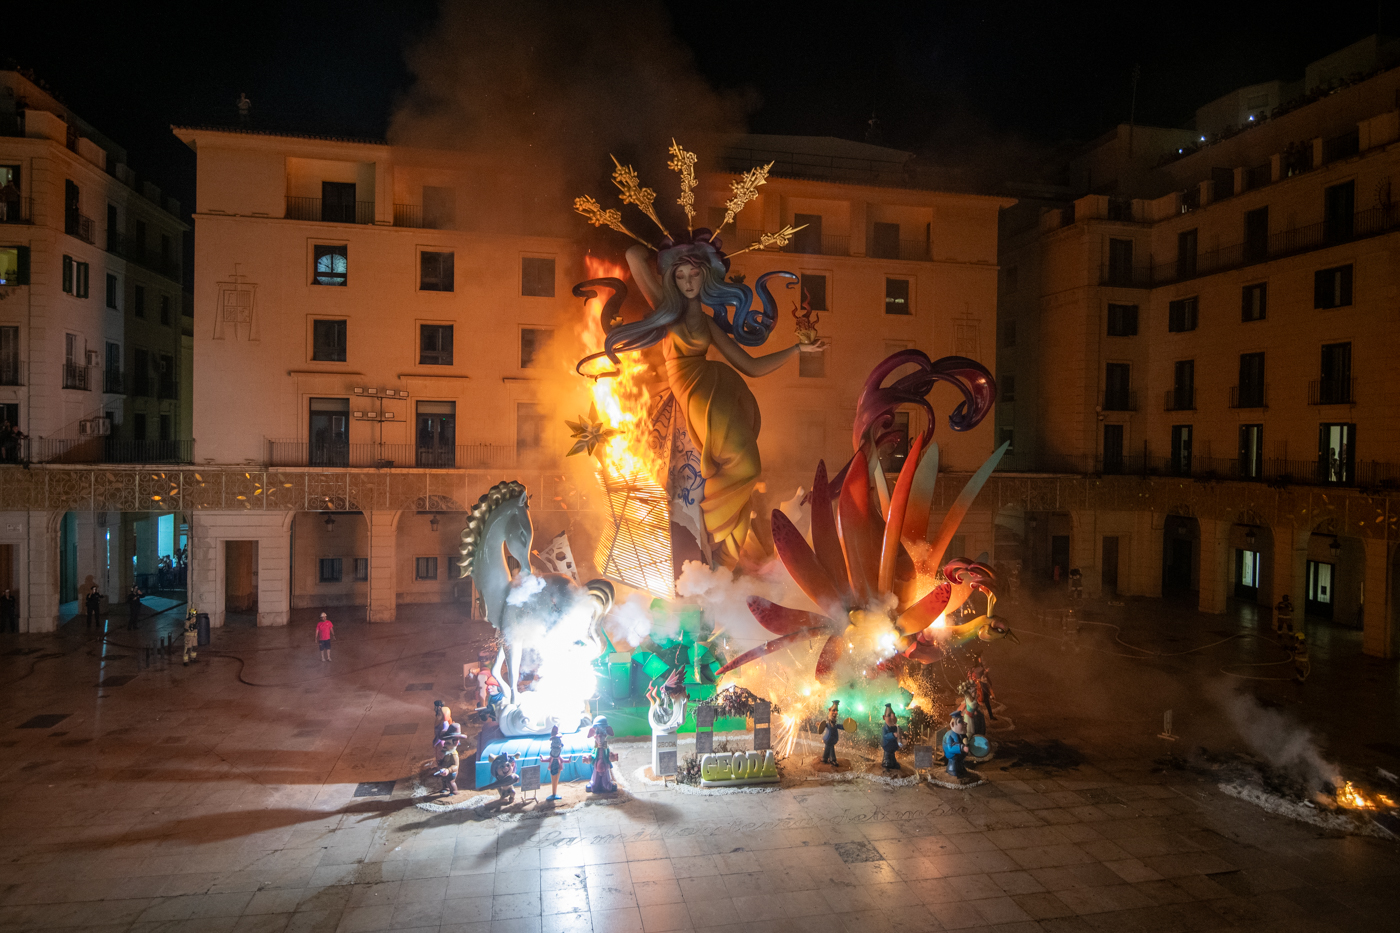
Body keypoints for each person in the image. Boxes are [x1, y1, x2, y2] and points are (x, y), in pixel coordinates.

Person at [609, 238, 825, 565]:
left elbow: (750, 366)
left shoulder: (708, 324)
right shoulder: (667, 312)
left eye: (694, 275)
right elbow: (632, 254)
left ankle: (727, 557)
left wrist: (797, 351)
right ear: (671, 279)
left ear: (706, 276)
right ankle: (714, 542)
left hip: (715, 385)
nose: (688, 282)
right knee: (745, 465)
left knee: (747, 467)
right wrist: (666, 245)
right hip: (693, 390)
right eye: (679, 276)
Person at [585, 715, 616, 793]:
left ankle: (608, 783)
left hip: (605, 766)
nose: (600, 735)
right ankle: (593, 783)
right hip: (596, 767)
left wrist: (611, 758)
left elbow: (608, 755)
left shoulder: (605, 747)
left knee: (608, 786)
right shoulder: (596, 747)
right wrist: (589, 759)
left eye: (603, 732)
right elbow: (593, 755)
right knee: (594, 786)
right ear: (594, 733)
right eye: (598, 732)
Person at [943, 714, 969, 779]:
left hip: (960, 757)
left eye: (963, 721)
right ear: (952, 724)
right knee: (954, 764)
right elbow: (950, 748)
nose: (965, 723)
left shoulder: (962, 734)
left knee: (960, 763)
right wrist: (962, 747)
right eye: (960, 722)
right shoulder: (949, 735)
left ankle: (961, 769)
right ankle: (952, 771)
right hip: (953, 757)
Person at [546, 724, 567, 801]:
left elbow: (558, 746)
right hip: (554, 761)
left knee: (556, 776)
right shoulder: (555, 744)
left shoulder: (556, 742)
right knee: (554, 776)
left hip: (556, 761)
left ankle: (554, 793)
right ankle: (553, 793)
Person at [819, 700, 842, 766]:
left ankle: (825, 758)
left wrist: (846, 726)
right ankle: (832, 760)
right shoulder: (829, 724)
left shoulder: (835, 724)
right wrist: (819, 725)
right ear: (830, 710)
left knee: (827, 748)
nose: (836, 712)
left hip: (832, 739)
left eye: (836, 711)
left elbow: (839, 726)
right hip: (829, 738)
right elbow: (823, 725)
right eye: (834, 710)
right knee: (831, 748)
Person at [881, 704, 901, 771]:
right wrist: (892, 735)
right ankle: (886, 763)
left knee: (892, 757)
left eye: (893, 715)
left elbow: (900, 733)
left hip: (893, 748)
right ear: (884, 717)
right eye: (889, 715)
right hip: (887, 748)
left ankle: (893, 763)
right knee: (888, 758)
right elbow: (885, 736)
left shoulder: (895, 727)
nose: (892, 718)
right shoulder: (884, 728)